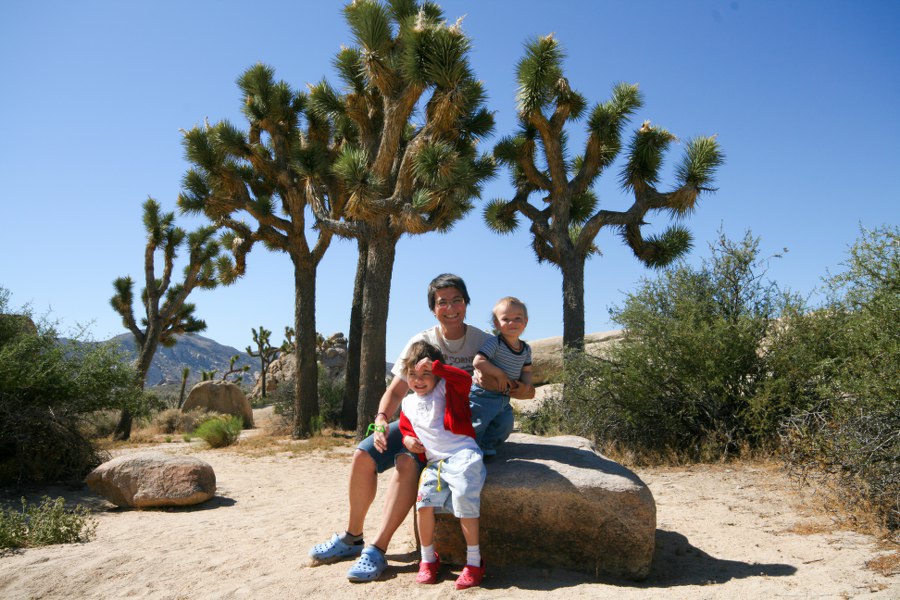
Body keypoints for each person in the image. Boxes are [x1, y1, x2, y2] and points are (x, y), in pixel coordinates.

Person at [308, 274, 534, 582]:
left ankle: (377, 549)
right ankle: (352, 537)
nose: (451, 307)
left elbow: (520, 384)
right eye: (442, 302)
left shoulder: (485, 342)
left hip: (450, 432)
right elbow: (397, 391)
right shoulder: (421, 342)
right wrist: (380, 421)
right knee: (363, 455)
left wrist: (512, 387)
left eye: (457, 300)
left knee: (405, 463)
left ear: (466, 304)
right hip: (415, 419)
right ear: (433, 308)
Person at [398, 341, 486, 589]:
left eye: (426, 374)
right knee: (423, 505)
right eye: (413, 374)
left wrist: (437, 368)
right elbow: (406, 426)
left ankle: (474, 562)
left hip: (462, 456)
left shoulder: (447, 388)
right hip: (436, 463)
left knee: (465, 502)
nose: (419, 380)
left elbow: (464, 380)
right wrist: (406, 438)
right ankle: (428, 559)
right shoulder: (408, 403)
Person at [470, 296, 533, 457]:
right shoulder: (496, 343)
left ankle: (486, 446)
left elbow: (527, 371)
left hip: (503, 397)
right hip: (482, 395)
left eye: (517, 318)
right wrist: (499, 374)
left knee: (505, 424)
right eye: (506, 319)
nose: (512, 323)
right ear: (497, 324)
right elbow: (478, 361)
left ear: (525, 322)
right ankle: (469, 450)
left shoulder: (525, 349)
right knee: (477, 424)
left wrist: (525, 385)